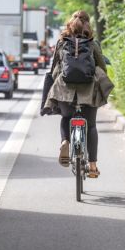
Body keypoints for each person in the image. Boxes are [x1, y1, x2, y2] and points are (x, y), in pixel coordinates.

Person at [42, 10, 113, 178]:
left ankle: (65, 141)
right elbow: (102, 67)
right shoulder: (92, 43)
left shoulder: (62, 43)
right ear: (88, 24)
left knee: (66, 118)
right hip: (88, 92)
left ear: (70, 24)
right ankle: (93, 166)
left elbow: (54, 69)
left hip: (65, 91)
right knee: (92, 125)